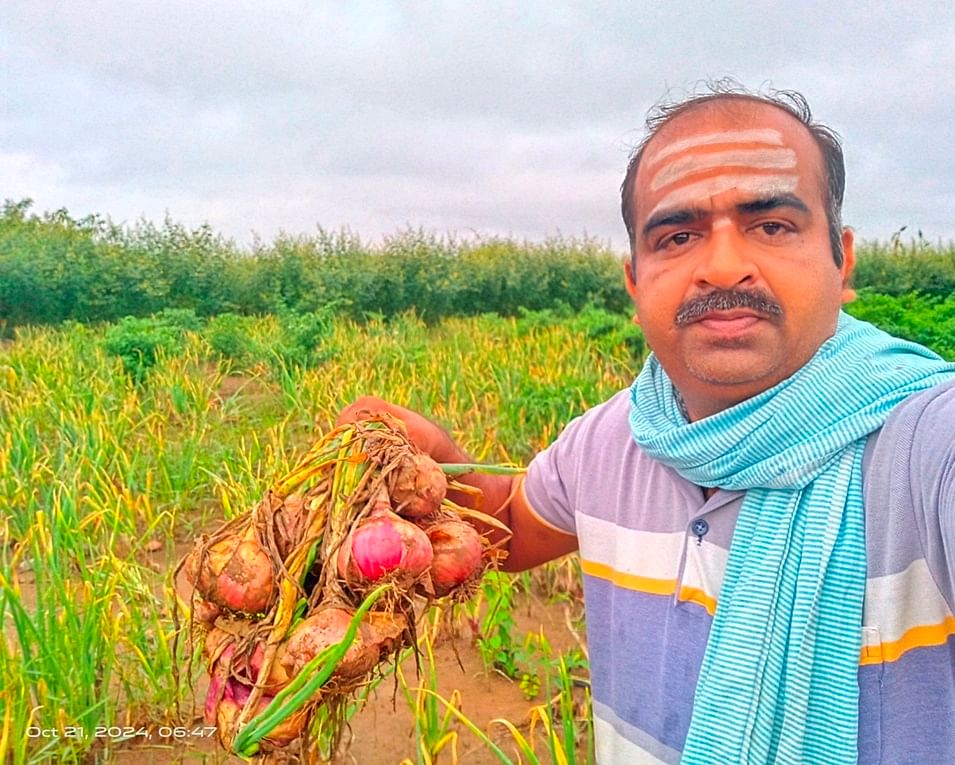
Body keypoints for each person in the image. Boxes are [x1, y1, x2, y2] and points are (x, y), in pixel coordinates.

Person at [338, 84, 955, 765]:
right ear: (634, 284)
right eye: (677, 235)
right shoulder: (609, 438)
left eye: (772, 225)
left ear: (842, 262)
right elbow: (508, 531)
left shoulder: (923, 446)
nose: (721, 265)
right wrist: (434, 459)